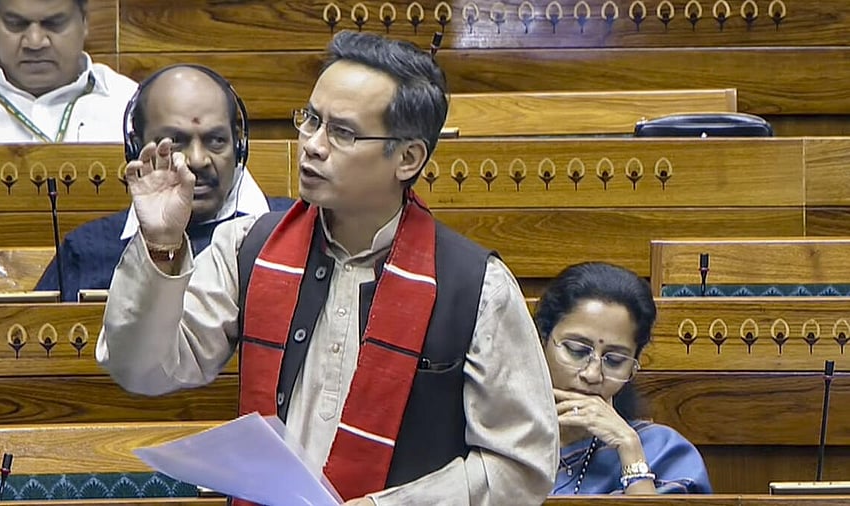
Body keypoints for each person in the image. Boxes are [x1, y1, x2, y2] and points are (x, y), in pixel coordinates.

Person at [96, 31, 557, 505]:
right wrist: (162, 243)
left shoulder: (476, 286)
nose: (312, 145)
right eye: (311, 120)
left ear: (408, 158)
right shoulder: (248, 247)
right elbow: (143, 371)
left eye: (342, 132)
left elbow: (520, 466)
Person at [35, 64, 292, 301]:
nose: (198, 159)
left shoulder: (295, 230)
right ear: (136, 148)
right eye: (174, 142)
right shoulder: (86, 250)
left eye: (216, 140)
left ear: (238, 145)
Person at [536, 262, 712, 495]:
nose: (592, 374)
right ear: (542, 341)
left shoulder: (663, 450)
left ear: (633, 368)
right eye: (577, 351)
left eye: (614, 360)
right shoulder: (496, 437)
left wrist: (629, 447)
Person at [0, 0, 136, 143]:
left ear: (84, 20)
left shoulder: (129, 106)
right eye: (16, 23)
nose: (35, 42)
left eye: (54, 23)